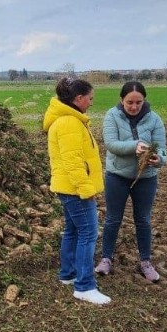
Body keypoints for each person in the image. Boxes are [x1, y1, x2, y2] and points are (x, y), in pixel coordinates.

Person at [43, 77, 111, 305]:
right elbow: (73, 163)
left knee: (73, 230)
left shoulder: (67, 120)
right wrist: (86, 189)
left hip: (68, 188)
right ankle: (84, 286)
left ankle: (68, 274)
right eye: (90, 98)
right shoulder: (69, 123)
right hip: (75, 189)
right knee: (89, 233)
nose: (91, 102)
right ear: (78, 98)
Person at [95, 81, 167, 282]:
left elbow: (162, 149)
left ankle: (145, 262)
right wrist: (135, 145)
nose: (134, 107)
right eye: (129, 103)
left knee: (143, 220)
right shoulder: (112, 116)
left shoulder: (154, 119)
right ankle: (106, 259)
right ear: (121, 101)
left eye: (139, 102)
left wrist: (158, 159)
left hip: (146, 178)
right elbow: (111, 144)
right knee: (113, 219)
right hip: (117, 176)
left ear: (144, 100)